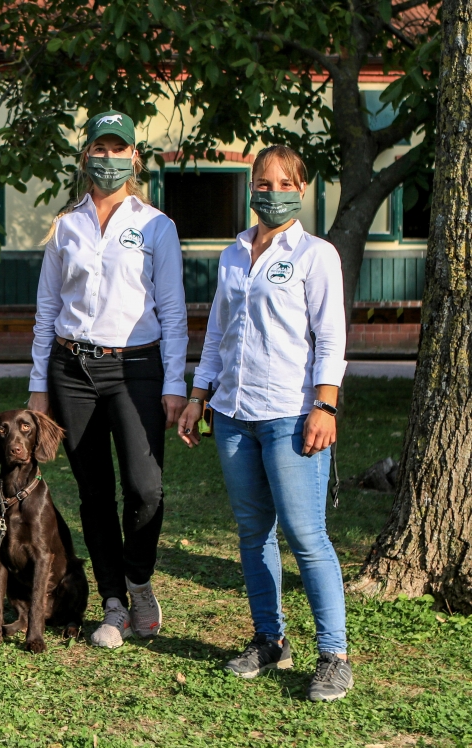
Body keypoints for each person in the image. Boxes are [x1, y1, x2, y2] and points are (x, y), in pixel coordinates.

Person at [178, 145, 352, 702]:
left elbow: (330, 337)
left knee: (307, 536)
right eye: (262, 181)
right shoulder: (233, 254)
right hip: (233, 415)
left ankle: (334, 654)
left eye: (284, 183)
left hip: (291, 415)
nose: (271, 191)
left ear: (301, 191)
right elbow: (219, 335)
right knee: (254, 535)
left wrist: (324, 406)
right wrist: (198, 396)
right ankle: (269, 640)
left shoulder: (316, 255)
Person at [27, 110, 188, 649]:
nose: (109, 159)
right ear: (86, 156)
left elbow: (172, 307)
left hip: (136, 367)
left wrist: (174, 384)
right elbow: (47, 307)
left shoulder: (155, 226)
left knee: (145, 488)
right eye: (100, 148)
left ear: (135, 158)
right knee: (94, 492)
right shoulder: (66, 225)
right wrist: (38, 383)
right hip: (70, 369)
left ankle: (139, 579)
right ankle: (114, 602)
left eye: (120, 150)